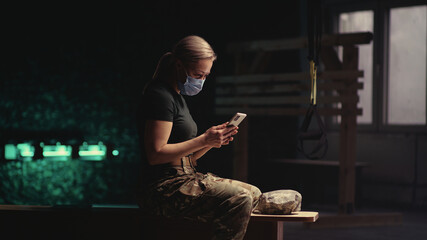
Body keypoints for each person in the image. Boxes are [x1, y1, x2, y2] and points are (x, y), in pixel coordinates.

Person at [135, 35, 262, 240]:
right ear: (178, 65)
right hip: (162, 189)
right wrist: (203, 139)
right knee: (239, 198)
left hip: (186, 178)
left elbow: (189, 159)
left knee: (254, 194)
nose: (201, 80)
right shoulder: (159, 96)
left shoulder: (177, 97)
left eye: (205, 76)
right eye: (198, 74)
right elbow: (155, 154)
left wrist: (211, 141)